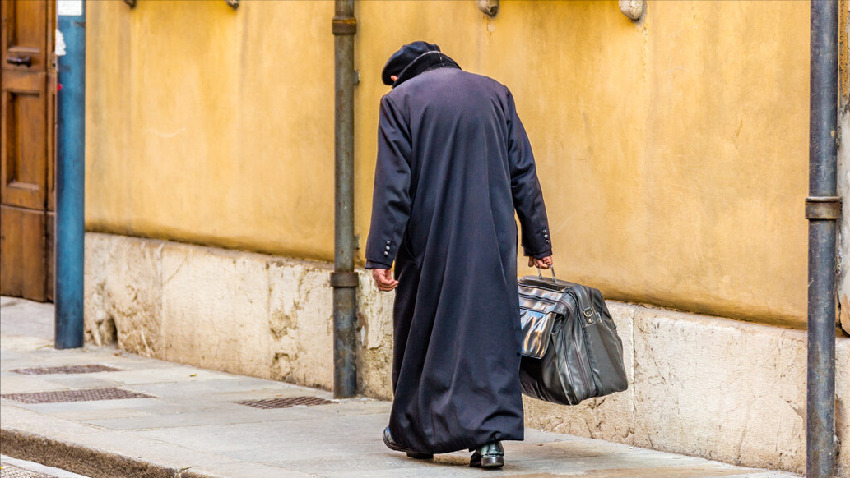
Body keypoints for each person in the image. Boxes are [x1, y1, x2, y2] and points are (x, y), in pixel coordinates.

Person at [365, 41, 553, 469]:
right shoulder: (495, 92)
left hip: (429, 242)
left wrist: (382, 253)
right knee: (487, 336)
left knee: (423, 333)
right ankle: (488, 443)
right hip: (491, 240)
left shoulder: (399, 102)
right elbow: (523, 170)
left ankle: (416, 434)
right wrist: (538, 242)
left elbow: (394, 185)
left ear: (398, 77)